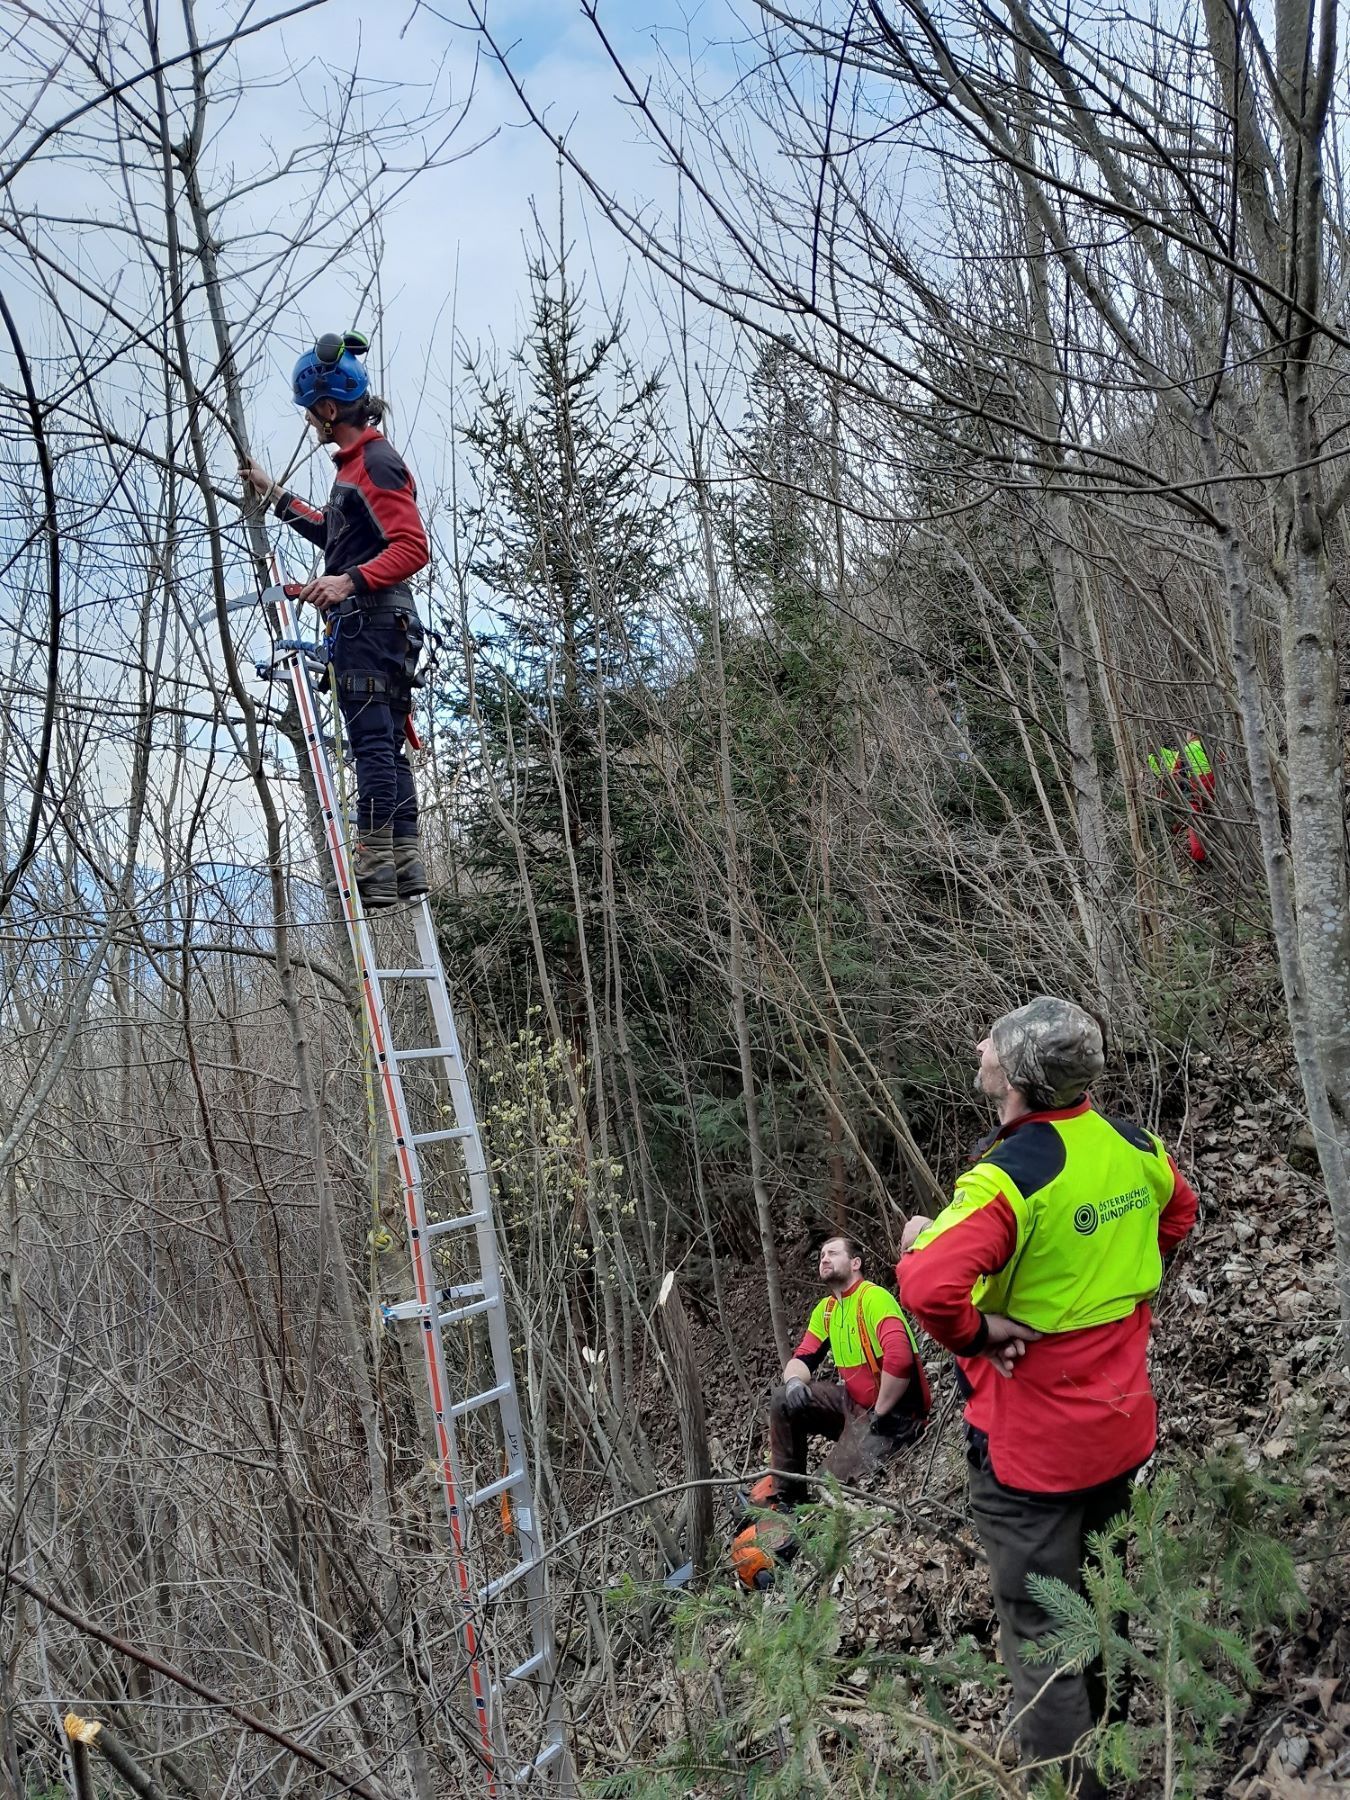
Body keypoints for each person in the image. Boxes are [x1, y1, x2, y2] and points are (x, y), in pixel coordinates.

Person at [899, 996, 1197, 1800]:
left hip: (1031, 1452)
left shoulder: (1014, 1175)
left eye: (994, 1039)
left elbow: (926, 1284)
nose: (978, 1042)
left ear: (1022, 1077)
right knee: (1104, 1600)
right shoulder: (1132, 1145)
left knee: (1046, 1638)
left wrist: (981, 1333)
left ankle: (1080, 1789)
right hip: (1121, 1430)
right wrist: (1121, 1293)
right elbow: (1179, 1213)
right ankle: (1121, 1758)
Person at [241, 330, 430, 908]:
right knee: (385, 749)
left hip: (370, 626)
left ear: (327, 408)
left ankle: (374, 873)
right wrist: (274, 494)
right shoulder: (355, 467)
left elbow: (413, 545)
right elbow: (334, 531)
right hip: (382, 625)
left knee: (372, 748)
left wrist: (348, 581)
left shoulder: (373, 462)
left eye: (309, 413)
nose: (308, 423)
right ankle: (405, 866)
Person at [765, 1235, 930, 1507]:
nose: (825, 1258)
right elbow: (802, 1358)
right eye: (821, 1255)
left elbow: (900, 1360)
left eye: (833, 1253)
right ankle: (786, 1501)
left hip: (895, 1419)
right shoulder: (827, 1310)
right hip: (855, 1407)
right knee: (783, 1397)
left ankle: (807, 1509)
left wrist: (882, 1411)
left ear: (855, 1263)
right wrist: (794, 1381)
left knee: (824, 1485)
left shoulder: (873, 1298)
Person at [1147, 733, 1216, 864]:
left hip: (1196, 788)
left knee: (1194, 821)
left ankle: (1198, 855)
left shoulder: (1185, 750)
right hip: (1214, 785)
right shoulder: (1210, 746)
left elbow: (1175, 773)